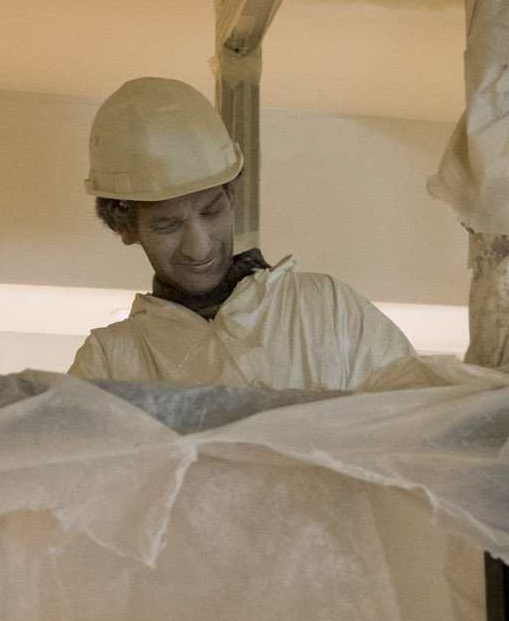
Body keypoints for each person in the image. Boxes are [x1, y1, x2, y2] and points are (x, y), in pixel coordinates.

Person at [68, 77, 415, 390]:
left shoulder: (327, 309)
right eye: (168, 225)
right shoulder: (109, 363)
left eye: (211, 211)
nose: (198, 247)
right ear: (126, 228)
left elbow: (425, 426)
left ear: (232, 196)